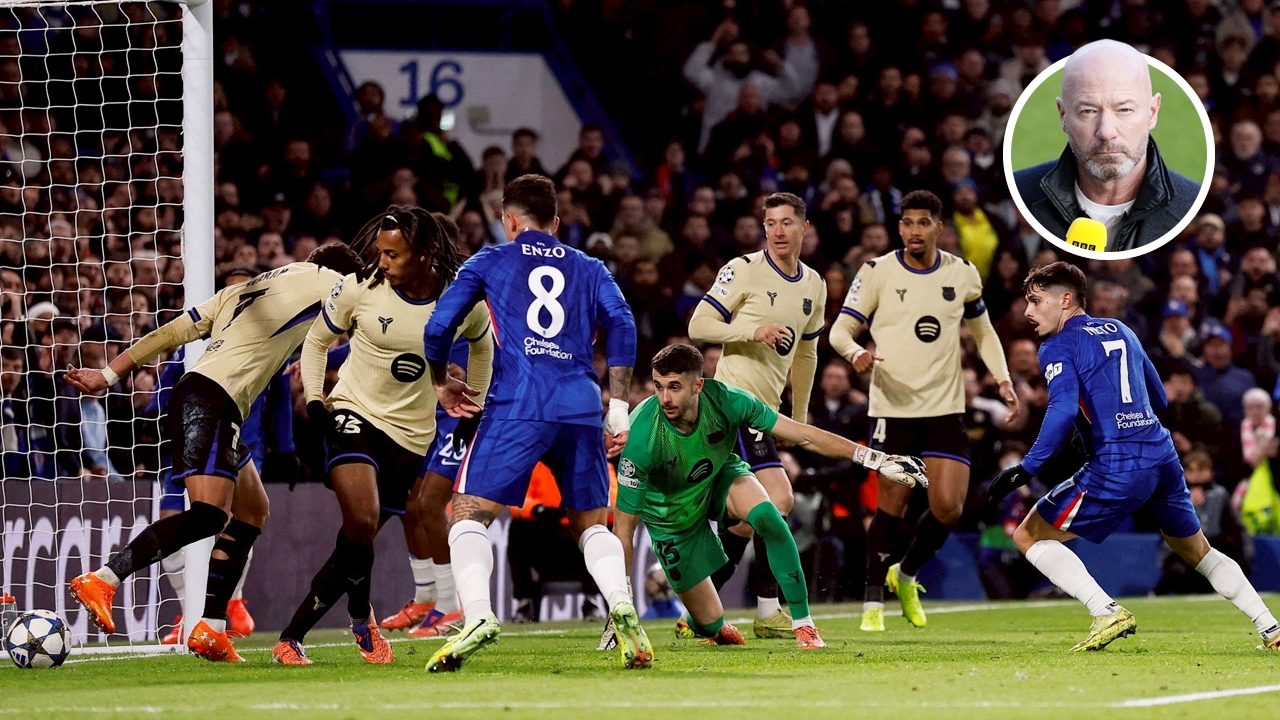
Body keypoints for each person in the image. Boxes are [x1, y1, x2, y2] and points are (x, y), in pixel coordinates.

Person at [65, 243, 365, 662]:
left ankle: (212, 628)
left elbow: (170, 333)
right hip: (212, 403)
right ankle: (104, 579)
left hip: (205, 398)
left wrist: (108, 374)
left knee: (253, 511)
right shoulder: (333, 282)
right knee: (209, 514)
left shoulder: (242, 291)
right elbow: (367, 335)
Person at [987, 262, 1280, 652]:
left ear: (1066, 299)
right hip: (1160, 452)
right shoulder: (1121, 329)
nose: (1028, 311)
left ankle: (1105, 611)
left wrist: (1027, 467)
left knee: (1028, 534)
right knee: (1196, 549)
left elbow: (1061, 409)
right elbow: (1158, 397)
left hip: (1118, 460)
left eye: (1037, 301)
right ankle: (1270, 626)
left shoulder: (1057, 345)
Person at [421, 174, 648, 672]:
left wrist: (440, 381)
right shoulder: (590, 266)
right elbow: (623, 323)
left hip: (519, 401)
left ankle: (477, 616)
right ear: (557, 222)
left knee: (467, 513)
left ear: (509, 220)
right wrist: (617, 406)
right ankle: (621, 602)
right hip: (581, 404)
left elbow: (437, 327)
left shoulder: (490, 260)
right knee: (590, 524)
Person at [274, 207, 492, 666]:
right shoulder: (360, 287)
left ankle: (323, 629)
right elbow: (316, 342)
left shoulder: (460, 300)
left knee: (358, 536)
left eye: (393, 254)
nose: (382, 262)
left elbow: (483, 346)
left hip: (411, 436)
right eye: (380, 252)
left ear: (424, 253)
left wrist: (474, 404)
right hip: (353, 411)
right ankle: (326, 627)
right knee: (362, 519)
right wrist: (316, 400)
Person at [612, 344, 926, 649]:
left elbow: (803, 434)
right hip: (671, 515)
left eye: (674, 387)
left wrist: (876, 459)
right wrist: (620, 604)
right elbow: (624, 529)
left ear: (698, 385)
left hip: (717, 476)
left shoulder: (728, 400)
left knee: (768, 515)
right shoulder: (642, 436)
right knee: (709, 623)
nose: (665, 398)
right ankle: (708, 623)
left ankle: (803, 623)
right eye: (658, 387)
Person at [828, 189, 1020, 632]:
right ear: (900, 227)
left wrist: (1003, 378)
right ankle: (872, 603)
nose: (915, 231)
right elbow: (840, 330)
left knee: (949, 507)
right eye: (908, 222)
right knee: (891, 507)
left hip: (944, 408)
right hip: (892, 408)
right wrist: (855, 353)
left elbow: (984, 333)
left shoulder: (962, 273)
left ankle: (906, 574)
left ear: (939, 227)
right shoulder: (876, 271)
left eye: (923, 223)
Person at [685, 191, 828, 638]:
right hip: (731, 406)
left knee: (750, 522)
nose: (778, 232)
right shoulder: (743, 269)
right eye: (770, 223)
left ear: (804, 228)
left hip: (766, 414)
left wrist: (797, 418)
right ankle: (767, 610)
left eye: (786, 223)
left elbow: (806, 355)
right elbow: (698, 325)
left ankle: (699, 609)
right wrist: (753, 330)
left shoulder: (815, 284)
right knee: (778, 500)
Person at [1012, 40, 1201, 251]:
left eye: (1124, 110)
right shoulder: (1021, 191)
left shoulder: (1191, 202)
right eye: (1088, 111)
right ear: (1063, 115)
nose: (1106, 132)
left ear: (1152, 112)